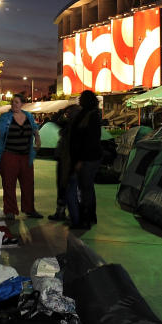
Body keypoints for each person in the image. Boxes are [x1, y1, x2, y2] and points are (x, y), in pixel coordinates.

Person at [0, 94, 42, 220]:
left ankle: (29, 209)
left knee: (28, 183)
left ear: (22, 104)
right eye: (13, 102)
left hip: (26, 155)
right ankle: (10, 211)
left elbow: (34, 129)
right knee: (9, 183)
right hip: (9, 155)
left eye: (16, 102)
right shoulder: (5, 117)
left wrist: (37, 138)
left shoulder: (29, 116)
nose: (14, 104)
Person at [68, 90, 102, 229]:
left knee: (85, 188)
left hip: (87, 158)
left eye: (82, 98)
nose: (79, 100)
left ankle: (85, 219)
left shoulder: (89, 116)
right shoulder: (91, 114)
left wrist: (80, 159)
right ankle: (90, 216)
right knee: (88, 187)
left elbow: (88, 139)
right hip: (91, 157)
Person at [47, 104, 80, 221]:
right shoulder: (70, 125)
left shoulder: (74, 127)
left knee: (65, 187)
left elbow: (54, 119)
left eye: (71, 112)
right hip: (65, 159)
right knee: (64, 187)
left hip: (68, 160)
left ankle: (69, 213)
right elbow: (54, 119)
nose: (68, 114)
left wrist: (64, 109)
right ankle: (66, 212)